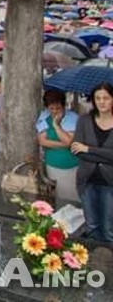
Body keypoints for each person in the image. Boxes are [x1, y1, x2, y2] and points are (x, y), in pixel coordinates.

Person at [71, 83, 113, 242]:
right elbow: (75, 149)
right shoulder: (84, 120)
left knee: (109, 228)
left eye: (106, 98)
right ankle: (95, 263)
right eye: (98, 98)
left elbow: (84, 150)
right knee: (92, 226)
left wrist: (89, 149)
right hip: (87, 181)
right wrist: (106, 156)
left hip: (110, 183)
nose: (102, 102)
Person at [37, 89, 79, 201]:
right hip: (53, 163)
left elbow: (69, 141)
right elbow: (42, 141)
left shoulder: (72, 117)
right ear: (46, 107)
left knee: (72, 196)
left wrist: (56, 126)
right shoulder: (44, 116)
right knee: (58, 196)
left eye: (58, 108)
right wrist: (65, 144)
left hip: (71, 163)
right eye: (51, 108)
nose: (55, 111)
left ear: (63, 105)